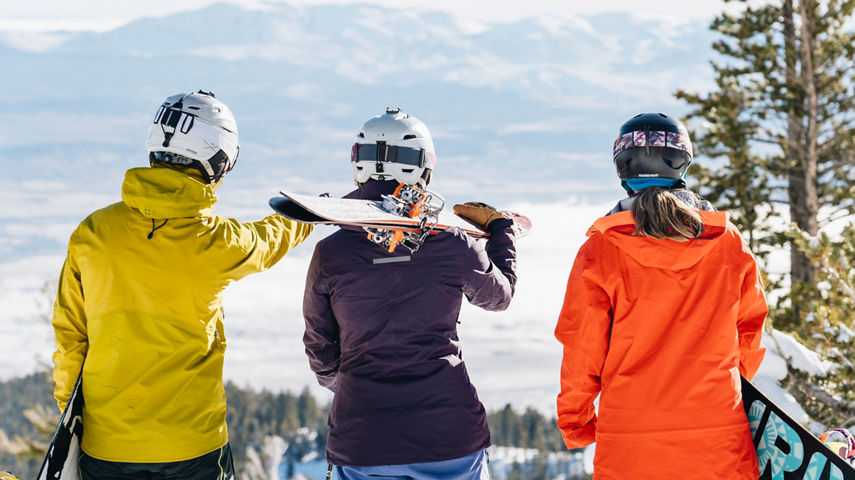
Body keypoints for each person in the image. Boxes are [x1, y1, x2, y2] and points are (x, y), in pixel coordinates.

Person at [51, 90, 314, 479]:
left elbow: (70, 338)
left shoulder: (93, 233)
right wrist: (305, 215)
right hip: (193, 447)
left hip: (106, 445)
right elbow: (268, 240)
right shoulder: (216, 242)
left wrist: (72, 416)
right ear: (219, 159)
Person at [303, 108, 518, 480]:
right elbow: (499, 297)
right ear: (423, 167)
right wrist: (501, 231)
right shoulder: (453, 245)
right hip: (448, 438)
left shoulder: (331, 253)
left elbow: (321, 352)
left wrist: (359, 386)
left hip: (361, 440)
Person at [554, 113, 767, 479]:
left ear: (623, 168)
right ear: (683, 163)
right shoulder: (727, 241)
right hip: (716, 432)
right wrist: (723, 382)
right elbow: (750, 327)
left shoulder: (601, 250)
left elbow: (582, 344)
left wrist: (577, 421)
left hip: (630, 441)